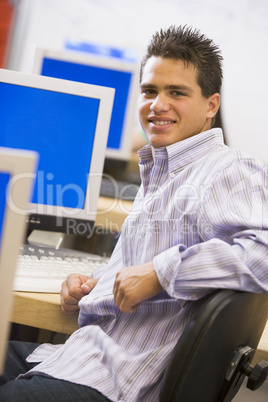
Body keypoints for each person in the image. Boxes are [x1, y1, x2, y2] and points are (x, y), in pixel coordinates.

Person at [1, 25, 268, 402]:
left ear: (211, 105)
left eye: (177, 92)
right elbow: (150, 260)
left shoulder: (227, 170)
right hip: (82, 355)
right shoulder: (165, 167)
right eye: (149, 91)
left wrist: (161, 272)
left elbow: (264, 254)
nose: (158, 104)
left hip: (119, 379)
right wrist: (96, 282)